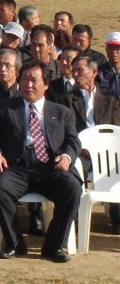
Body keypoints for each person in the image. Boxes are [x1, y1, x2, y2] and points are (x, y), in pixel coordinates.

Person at [0, 60, 82, 262]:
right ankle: (15, 243)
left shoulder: (62, 112)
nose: (28, 85)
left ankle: (53, 245)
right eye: (24, 79)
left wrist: (66, 157)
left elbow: (73, 141)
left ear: (46, 84)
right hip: (16, 167)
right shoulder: (4, 108)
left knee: (72, 188)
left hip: (50, 166)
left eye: (34, 80)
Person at [66, 54, 120, 232]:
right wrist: (81, 148)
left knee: (116, 166)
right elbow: (67, 131)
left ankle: (117, 216)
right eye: (73, 71)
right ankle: (76, 216)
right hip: (81, 153)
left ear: (94, 72)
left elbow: (116, 129)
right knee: (71, 170)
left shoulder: (110, 100)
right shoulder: (67, 100)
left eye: (80, 70)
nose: (75, 74)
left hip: (107, 153)